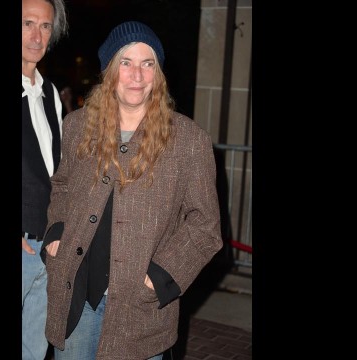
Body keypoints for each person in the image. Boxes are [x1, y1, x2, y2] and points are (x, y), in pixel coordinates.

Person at [40, 21, 223, 360]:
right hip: (75, 293)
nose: (136, 76)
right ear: (110, 70)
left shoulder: (188, 140)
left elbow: (205, 226)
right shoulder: (77, 126)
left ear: (159, 73)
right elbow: (62, 185)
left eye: (147, 63)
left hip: (138, 307)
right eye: (126, 62)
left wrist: (161, 276)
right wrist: (56, 231)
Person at [21, 0, 68, 359]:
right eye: (27, 23)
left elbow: (57, 170)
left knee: (34, 350)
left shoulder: (50, 92)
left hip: (47, 247)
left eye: (46, 26)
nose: (37, 36)